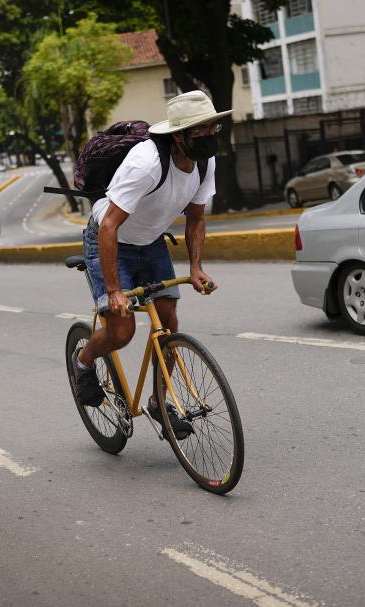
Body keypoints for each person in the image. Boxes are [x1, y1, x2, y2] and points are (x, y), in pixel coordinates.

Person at [71, 90, 230, 439]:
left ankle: (160, 400)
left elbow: (196, 218)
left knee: (169, 322)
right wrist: (114, 291)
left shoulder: (205, 162)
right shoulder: (146, 163)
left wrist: (196, 267)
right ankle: (83, 361)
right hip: (110, 240)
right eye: (200, 130)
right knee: (122, 331)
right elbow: (110, 225)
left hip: (150, 241)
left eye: (212, 128)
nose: (209, 136)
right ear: (179, 135)